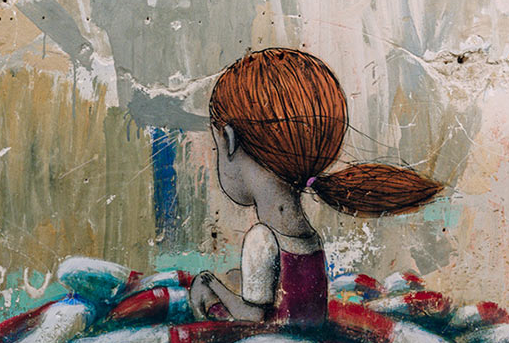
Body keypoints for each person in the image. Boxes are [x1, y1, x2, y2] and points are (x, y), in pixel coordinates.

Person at [188, 48, 441, 326]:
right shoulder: (308, 237)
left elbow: (256, 318)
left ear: (229, 140)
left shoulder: (263, 238)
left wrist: (212, 287)